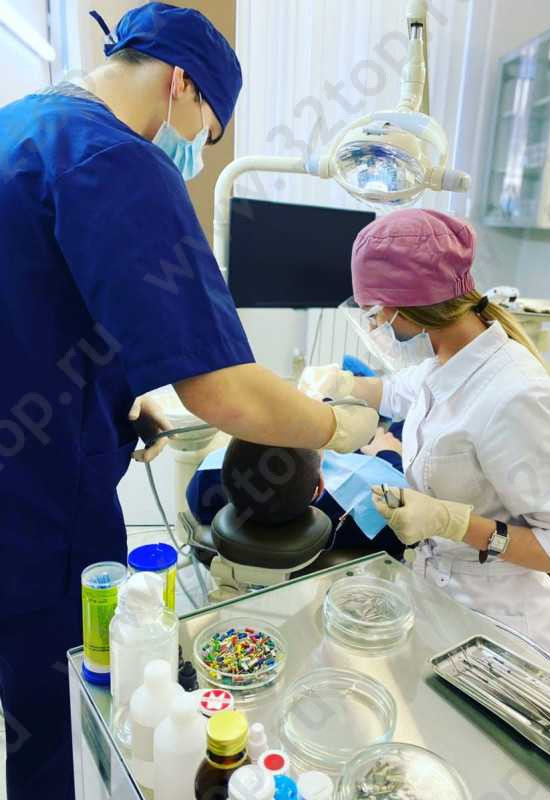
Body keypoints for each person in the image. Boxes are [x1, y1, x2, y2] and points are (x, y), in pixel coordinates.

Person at [0, 5, 377, 799]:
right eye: (208, 132)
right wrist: (336, 425)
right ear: (182, 83)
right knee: (64, 720)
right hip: (38, 508)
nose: (198, 152)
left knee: (24, 703)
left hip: (25, 467)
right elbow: (222, 389)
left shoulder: (21, 125)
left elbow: (37, 304)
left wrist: (113, 406)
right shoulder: (118, 160)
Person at [300, 209, 550, 657]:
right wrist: (340, 384)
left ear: (411, 308)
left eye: (374, 314)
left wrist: (455, 523)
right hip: (434, 599)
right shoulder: (445, 359)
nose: (373, 328)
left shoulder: (517, 398)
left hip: (499, 631)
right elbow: (396, 391)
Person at [187, 436, 405, 559]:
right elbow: (405, 532)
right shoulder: (376, 495)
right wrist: (389, 453)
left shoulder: (206, 475)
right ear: (318, 489)